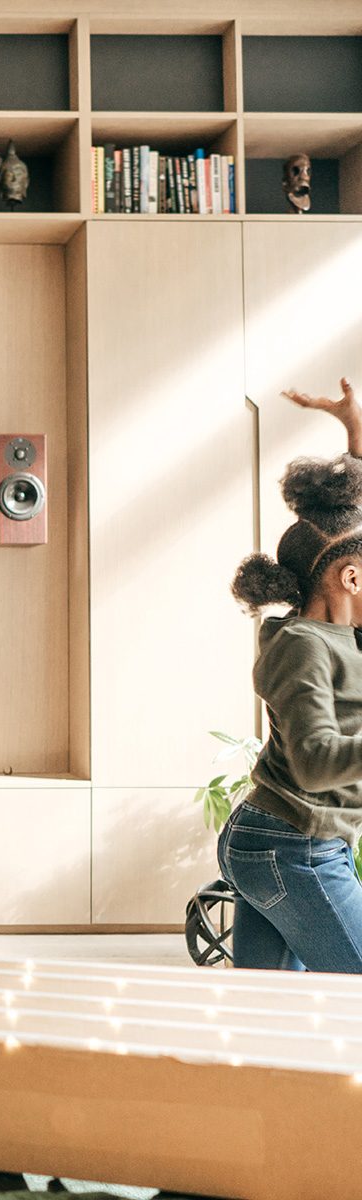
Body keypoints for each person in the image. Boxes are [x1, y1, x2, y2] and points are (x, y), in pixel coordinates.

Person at [221, 377, 362, 972]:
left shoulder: (336, 632)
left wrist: (354, 433)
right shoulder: (303, 645)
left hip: (283, 842)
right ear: (351, 579)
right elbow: (314, 759)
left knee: (272, 1010)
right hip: (292, 845)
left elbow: (349, 518)